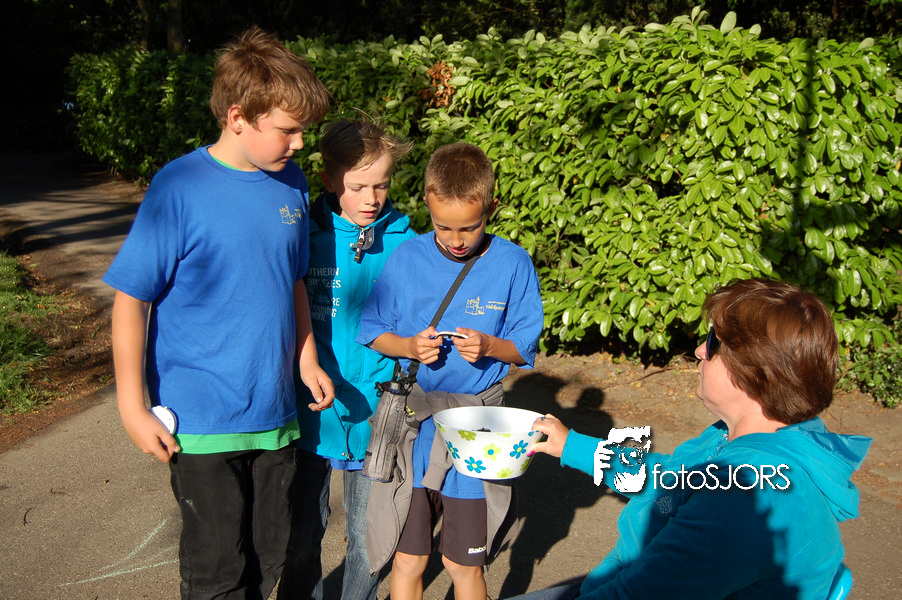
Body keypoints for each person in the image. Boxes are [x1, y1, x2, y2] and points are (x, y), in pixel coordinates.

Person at [102, 27, 335, 600]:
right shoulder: (179, 186)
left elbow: (292, 280)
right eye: (287, 130)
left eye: (303, 131)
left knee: (270, 558)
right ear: (237, 117)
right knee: (218, 574)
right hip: (202, 421)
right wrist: (132, 407)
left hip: (275, 414)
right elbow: (132, 300)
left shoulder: (292, 182)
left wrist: (306, 358)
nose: (300, 144)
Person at [522, 278, 872, 600]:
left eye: (714, 341)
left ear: (754, 370)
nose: (700, 350)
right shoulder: (749, 438)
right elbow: (669, 480)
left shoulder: (745, 498)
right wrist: (573, 446)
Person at [356, 142, 544, 600]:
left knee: (464, 563)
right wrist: (408, 346)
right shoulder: (407, 258)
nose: (456, 240)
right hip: (413, 430)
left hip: (474, 432)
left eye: (469, 227)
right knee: (408, 559)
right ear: (427, 203)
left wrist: (491, 347)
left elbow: (523, 348)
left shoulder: (513, 263)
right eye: (443, 227)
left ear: (492, 208)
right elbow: (373, 331)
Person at [278, 118, 416, 600]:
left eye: (382, 185)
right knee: (302, 535)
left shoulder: (407, 244)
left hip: (379, 415)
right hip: (310, 413)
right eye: (357, 187)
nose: (371, 199)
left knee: (367, 539)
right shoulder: (303, 236)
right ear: (330, 179)